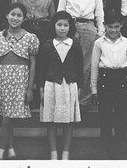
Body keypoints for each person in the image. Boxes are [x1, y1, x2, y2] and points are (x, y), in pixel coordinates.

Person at [0, 3, 40, 160]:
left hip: (20, 80)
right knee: (6, 116)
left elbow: (32, 64)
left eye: (19, 15)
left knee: (8, 118)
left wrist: (30, 88)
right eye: (12, 14)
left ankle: (0, 151)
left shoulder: (30, 38)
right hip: (3, 79)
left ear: (24, 18)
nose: (15, 18)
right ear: (6, 15)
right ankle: (9, 148)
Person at [38, 11, 83, 160]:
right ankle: (53, 153)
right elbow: (41, 69)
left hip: (69, 86)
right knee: (51, 120)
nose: (62, 28)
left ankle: (65, 153)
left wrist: (80, 87)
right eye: (59, 25)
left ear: (70, 27)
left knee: (68, 120)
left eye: (65, 25)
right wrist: (41, 89)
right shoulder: (47, 46)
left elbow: (79, 68)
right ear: (54, 26)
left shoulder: (75, 45)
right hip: (52, 86)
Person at [58, 0, 104, 107]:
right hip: (70, 26)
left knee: (87, 64)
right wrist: (61, 31)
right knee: (68, 62)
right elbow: (60, 12)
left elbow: (99, 14)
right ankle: (67, 100)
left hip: (89, 26)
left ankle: (83, 102)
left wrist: (100, 32)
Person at [90, 11, 127, 159]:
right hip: (105, 81)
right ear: (104, 26)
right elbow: (94, 66)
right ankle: (105, 155)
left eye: (117, 26)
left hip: (121, 81)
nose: (113, 30)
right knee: (106, 120)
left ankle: (122, 155)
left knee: (122, 121)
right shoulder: (99, 43)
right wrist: (94, 89)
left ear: (121, 25)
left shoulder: (126, 42)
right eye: (110, 27)